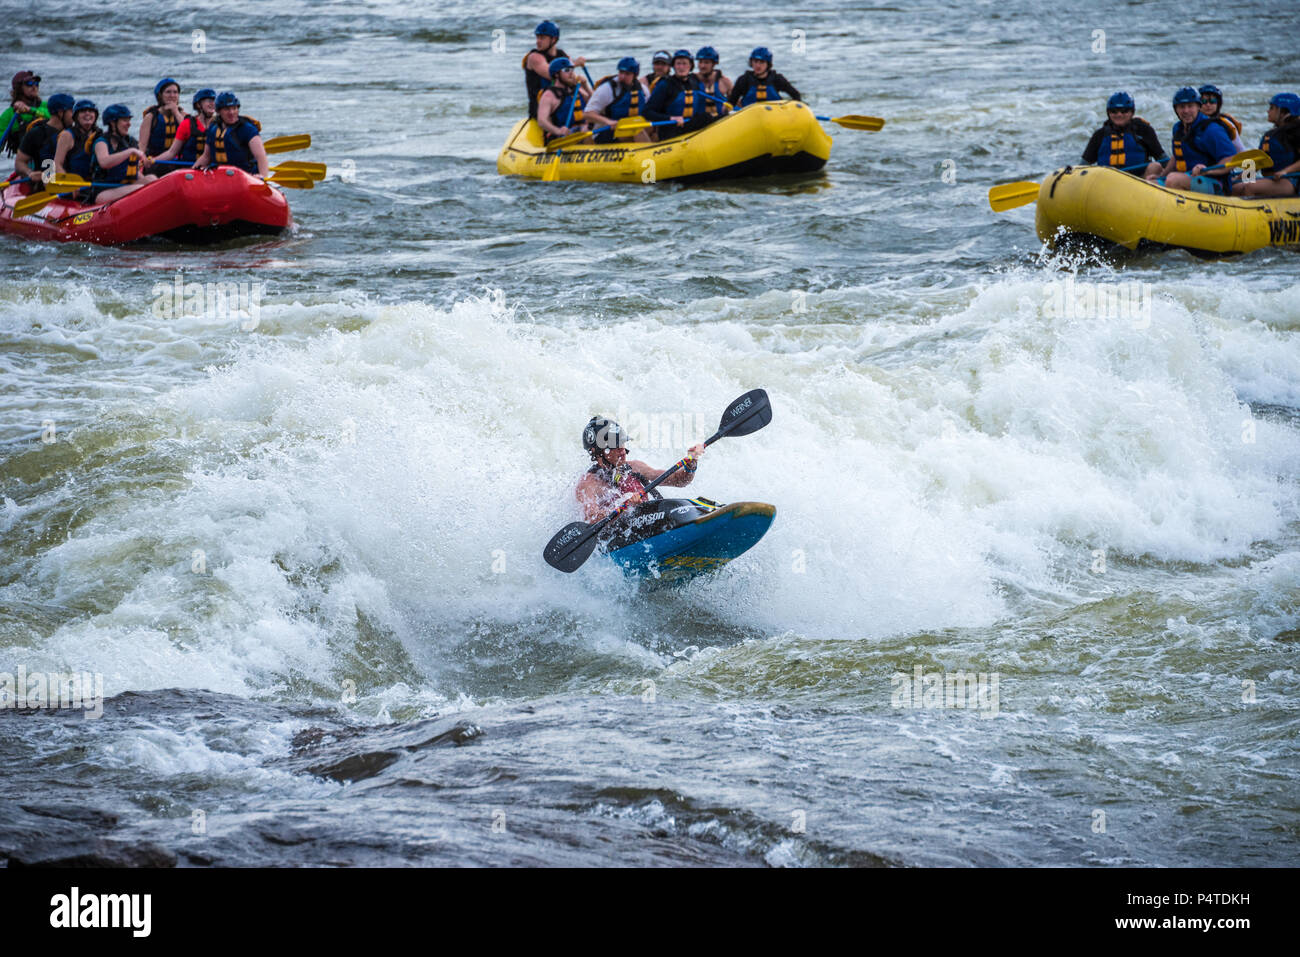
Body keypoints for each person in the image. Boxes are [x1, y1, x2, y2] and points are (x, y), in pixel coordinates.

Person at [576, 417, 706, 523]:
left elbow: (679, 481)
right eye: (614, 445)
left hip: (650, 523)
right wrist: (624, 507)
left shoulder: (636, 467)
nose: (622, 449)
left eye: (621, 442)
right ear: (598, 452)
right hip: (619, 538)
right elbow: (591, 518)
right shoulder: (588, 483)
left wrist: (691, 465)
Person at [1149, 86, 1235, 194]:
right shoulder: (1177, 129)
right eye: (1182, 107)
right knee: (1151, 183)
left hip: (1216, 183)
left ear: (1198, 107)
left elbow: (1231, 159)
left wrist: (1208, 170)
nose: (1186, 111)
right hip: (1188, 178)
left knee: (1173, 179)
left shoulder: (1212, 129)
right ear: (1176, 109)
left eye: (1190, 106)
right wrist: (1161, 176)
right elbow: (1177, 157)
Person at [1080, 91, 1167, 177]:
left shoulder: (1144, 130)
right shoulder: (1100, 135)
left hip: (1139, 181)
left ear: (1132, 112)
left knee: (1155, 167)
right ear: (1108, 113)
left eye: (1124, 111)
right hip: (1107, 181)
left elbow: (1162, 159)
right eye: (1114, 111)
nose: (1119, 115)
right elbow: (1082, 166)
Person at [1232, 93, 1300, 198]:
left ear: (1284, 112)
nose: (1268, 111)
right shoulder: (1270, 135)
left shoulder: (1296, 131)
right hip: (1272, 180)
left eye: (1272, 108)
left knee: (1250, 187)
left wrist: (1285, 171)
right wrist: (1238, 178)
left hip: (1292, 180)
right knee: (1235, 187)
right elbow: (1258, 162)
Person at [192, 92, 269, 177]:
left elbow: (261, 157)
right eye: (227, 109)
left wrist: (262, 177)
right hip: (220, 176)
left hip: (245, 177)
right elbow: (206, 157)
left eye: (234, 108)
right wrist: (192, 173)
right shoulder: (213, 128)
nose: (231, 112)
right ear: (219, 111)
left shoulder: (247, 129)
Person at [88, 104, 155, 202]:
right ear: (112, 123)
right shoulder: (101, 142)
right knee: (139, 189)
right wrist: (130, 152)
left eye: (129, 120)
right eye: (125, 120)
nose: (129, 124)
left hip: (125, 186)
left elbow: (133, 171)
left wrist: (146, 163)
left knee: (151, 179)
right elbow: (104, 162)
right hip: (103, 190)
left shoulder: (130, 141)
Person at [644, 49, 712, 140]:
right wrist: (671, 118)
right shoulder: (665, 85)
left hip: (691, 127)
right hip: (671, 130)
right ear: (673, 66)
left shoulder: (696, 83)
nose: (681, 67)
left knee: (706, 117)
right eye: (678, 64)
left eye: (684, 64)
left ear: (690, 66)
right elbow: (647, 112)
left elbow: (701, 110)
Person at [523, 20, 585, 119]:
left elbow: (571, 79)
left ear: (554, 39)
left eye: (542, 38)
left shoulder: (562, 55)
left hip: (563, 106)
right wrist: (574, 64)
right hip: (542, 111)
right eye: (537, 37)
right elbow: (552, 73)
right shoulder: (534, 57)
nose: (538, 41)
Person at [14, 92, 73, 188]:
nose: (74, 115)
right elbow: (19, 163)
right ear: (60, 113)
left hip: (71, 182)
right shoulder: (36, 133)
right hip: (43, 184)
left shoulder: (73, 132)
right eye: (71, 111)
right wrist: (30, 173)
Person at [583, 58, 650, 142]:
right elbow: (587, 114)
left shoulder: (643, 90)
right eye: (621, 72)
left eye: (627, 74)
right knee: (638, 131)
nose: (622, 77)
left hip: (628, 127)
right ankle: (651, 153)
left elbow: (648, 111)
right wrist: (608, 122)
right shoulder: (607, 89)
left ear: (635, 75)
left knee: (651, 130)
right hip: (604, 131)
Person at [150, 87, 216, 171]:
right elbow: (171, 153)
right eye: (209, 101)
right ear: (198, 105)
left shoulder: (219, 125)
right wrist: (153, 160)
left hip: (211, 169)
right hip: (189, 169)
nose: (212, 104)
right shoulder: (187, 124)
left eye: (214, 101)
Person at [52, 99, 102, 196]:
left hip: (93, 184)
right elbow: (57, 164)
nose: (87, 114)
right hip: (73, 185)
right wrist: (69, 184)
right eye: (83, 111)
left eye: (91, 111)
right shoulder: (67, 135)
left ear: (95, 116)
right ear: (76, 117)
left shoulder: (100, 135)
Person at [728, 47, 801, 108]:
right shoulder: (743, 80)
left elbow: (796, 95)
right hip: (750, 119)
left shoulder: (777, 79)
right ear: (751, 62)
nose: (758, 65)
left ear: (768, 64)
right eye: (755, 61)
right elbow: (731, 102)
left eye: (762, 62)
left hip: (774, 116)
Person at [535, 58, 589, 141]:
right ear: (556, 74)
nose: (571, 73)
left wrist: (586, 86)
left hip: (583, 130)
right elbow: (542, 121)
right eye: (567, 70)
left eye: (572, 69)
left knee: (587, 129)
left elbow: (596, 105)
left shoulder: (578, 89)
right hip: (563, 135)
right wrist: (558, 131)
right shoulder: (549, 95)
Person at [140, 77, 187, 162]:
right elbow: (142, 147)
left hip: (179, 161)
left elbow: (189, 133)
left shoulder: (183, 115)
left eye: (175, 92)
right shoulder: (150, 117)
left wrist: (176, 112)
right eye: (168, 92)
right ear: (160, 95)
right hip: (155, 160)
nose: (172, 95)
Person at [2, 71, 48, 156]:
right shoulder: (9, 114)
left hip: (49, 159)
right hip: (24, 162)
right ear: (19, 88)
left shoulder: (45, 106)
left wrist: (30, 110)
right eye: (29, 83)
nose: (34, 86)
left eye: (36, 83)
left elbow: (52, 116)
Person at [1198, 84, 1246, 153]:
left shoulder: (1226, 123)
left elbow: (1240, 150)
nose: (1208, 105)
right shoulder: (1192, 123)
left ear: (1218, 103)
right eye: (1204, 101)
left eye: (1212, 101)